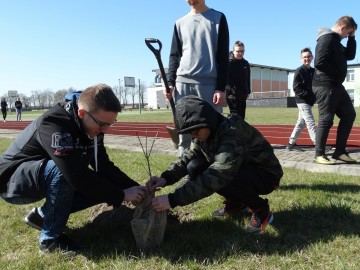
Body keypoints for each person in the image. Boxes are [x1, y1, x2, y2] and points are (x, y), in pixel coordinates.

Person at [0, 83, 146, 255]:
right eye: (101, 124)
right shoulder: (55, 123)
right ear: (82, 113)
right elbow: (74, 175)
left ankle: (41, 215)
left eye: (110, 123)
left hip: (44, 174)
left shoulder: (93, 126)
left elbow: (104, 167)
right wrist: (121, 195)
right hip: (13, 182)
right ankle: (50, 240)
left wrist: (134, 188)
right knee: (64, 172)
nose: (104, 130)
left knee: (100, 182)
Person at [146, 96, 283, 233]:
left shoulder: (231, 132)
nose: (194, 136)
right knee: (194, 166)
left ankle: (260, 209)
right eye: (191, 133)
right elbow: (188, 157)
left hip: (267, 175)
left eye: (195, 132)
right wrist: (165, 178)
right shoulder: (205, 129)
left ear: (206, 121)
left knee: (222, 176)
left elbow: (219, 174)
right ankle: (237, 202)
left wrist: (173, 199)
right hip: (243, 169)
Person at [165, 0, 229, 157]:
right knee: (184, 134)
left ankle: (212, 173)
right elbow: (174, 55)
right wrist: (171, 82)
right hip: (182, 84)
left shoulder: (218, 18)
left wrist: (220, 87)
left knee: (211, 131)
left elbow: (223, 56)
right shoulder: (179, 23)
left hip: (208, 84)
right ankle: (184, 174)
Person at [312, 16, 357, 165]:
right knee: (326, 119)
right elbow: (319, 62)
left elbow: (350, 55)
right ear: (342, 28)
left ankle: (340, 152)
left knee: (349, 114)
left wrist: (352, 37)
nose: (346, 37)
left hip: (336, 85)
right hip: (325, 85)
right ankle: (319, 154)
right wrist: (337, 73)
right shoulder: (327, 38)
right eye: (347, 33)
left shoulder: (336, 42)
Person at [287, 48, 332, 153]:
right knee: (310, 122)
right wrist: (309, 96)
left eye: (308, 56)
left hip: (309, 101)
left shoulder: (313, 71)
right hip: (302, 101)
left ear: (312, 57)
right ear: (301, 59)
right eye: (304, 57)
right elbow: (296, 88)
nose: (306, 59)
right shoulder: (299, 71)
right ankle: (319, 146)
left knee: (300, 123)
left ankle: (291, 143)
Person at [226, 41, 251, 119]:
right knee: (235, 119)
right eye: (238, 51)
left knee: (241, 119)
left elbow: (247, 78)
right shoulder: (228, 63)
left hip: (243, 96)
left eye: (242, 51)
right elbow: (224, 79)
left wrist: (248, 91)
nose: (240, 53)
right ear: (233, 51)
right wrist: (232, 90)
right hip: (232, 97)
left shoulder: (245, 63)